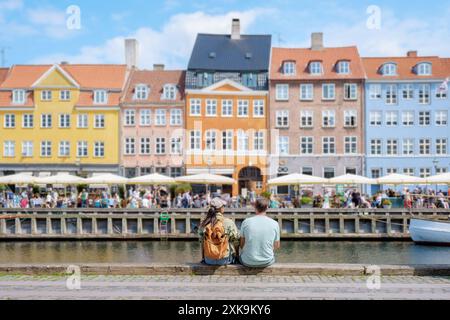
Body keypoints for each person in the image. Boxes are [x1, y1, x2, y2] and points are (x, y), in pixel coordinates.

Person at [239, 198, 280, 268]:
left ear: (255, 207)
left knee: (239, 257)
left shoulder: (246, 222)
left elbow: (241, 244)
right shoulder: (275, 223)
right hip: (267, 260)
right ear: (267, 208)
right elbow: (277, 246)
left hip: (248, 261)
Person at [198, 197, 239, 266]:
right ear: (221, 209)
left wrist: (203, 258)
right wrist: (237, 255)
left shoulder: (204, 223)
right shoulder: (229, 222)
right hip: (225, 259)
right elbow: (236, 241)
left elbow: (202, 242)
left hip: (208, 260)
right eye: (223, 206)